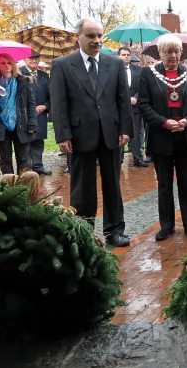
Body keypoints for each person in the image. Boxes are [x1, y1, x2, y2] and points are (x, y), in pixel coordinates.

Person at [50, 18, 133, 247]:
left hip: (111, 134)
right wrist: (63, 134)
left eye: (99, 36)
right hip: (78, 136)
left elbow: (122, 100)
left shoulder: (114, 64)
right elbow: (59, 103)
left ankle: (115, 230)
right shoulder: (62, 65)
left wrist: (126, 129)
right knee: (82, 186)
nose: (96, 40)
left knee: (113, 185)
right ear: (78, 37)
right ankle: (84, 231)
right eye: (91, 36)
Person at [138, 34, 187, 241]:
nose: (173, 55)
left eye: (177, 51)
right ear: (160, 53)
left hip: (186, 135)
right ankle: (166, 225)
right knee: (164, 183)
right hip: (161, 137)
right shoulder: (147, 74)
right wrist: (164, 122)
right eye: (168, 51)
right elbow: (144, 104)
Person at [0, 53, 37, 174]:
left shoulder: (22, 81)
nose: (7, 65)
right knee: (5, 159)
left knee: (24, 159)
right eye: (3, 63)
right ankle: (10, 188)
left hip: (20, 124)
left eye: (9, 62)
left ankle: (24, 187)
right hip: (1, 126)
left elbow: (31, 104)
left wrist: (32, 124)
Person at [21, 51, 51, 175]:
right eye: (31, 58)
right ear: (24, 58)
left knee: (38, 140)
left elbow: (52, 95)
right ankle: (26, 168)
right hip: (25, 114)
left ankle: (38, 166)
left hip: (41, 114)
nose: (34, 60)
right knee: (26, 140)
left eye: (36, 58)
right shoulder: (19, 74)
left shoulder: (44, 76)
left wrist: (45, 106)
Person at [118, 47, 148, 167]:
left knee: (136, 132)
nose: (126, 56)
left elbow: (142, 86)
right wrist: (126, 98)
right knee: (120, 133)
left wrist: (136, 97)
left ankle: (137, 158)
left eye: (128, 55)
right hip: (120, 107)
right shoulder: (114, 70)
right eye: (123, 54)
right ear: (118, 56)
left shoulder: (138, 70)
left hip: (135, 107)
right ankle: (118, 159)